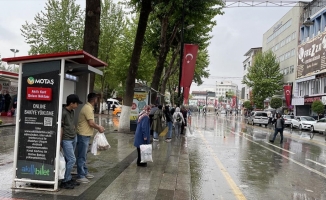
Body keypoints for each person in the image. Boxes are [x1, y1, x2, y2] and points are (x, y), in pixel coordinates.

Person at [76, 93, 105, 183]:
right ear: (94, 99)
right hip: (83, 134)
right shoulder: (88, 108)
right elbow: (91, 123)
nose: (98, 101)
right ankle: (80, 175)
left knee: (84, 155)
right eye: (97, 99)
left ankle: (84, 172)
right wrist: (99, 127)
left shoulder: (89, 108)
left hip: (85, 134)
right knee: (81, 156)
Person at [60, 94, 83, 189]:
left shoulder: (72, 112)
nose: (77, 105)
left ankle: (68, 178)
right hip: (66, 139)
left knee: (68, 159)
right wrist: (60, 142)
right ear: (71, 103)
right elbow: (61, 128)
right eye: (76, 103)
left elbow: (71, 123)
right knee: (72, 159)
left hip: (73, 137)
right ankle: (65, 180)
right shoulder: (63, 112)